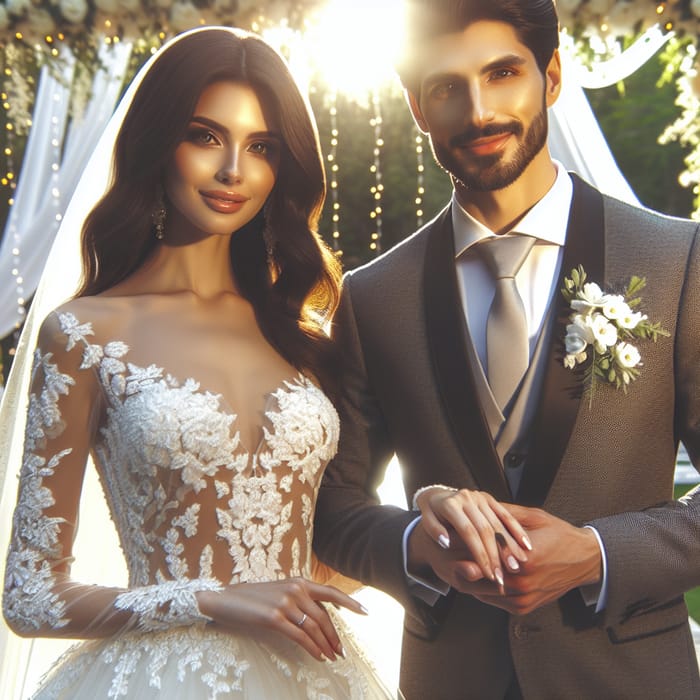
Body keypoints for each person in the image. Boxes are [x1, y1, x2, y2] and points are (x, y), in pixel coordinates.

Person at [313, 1, 700, 697]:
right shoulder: (371, 298)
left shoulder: (679, 262)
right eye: (446, 88)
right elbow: (334, 508)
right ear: (417, 108)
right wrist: (417, 546)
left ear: (551, 76)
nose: (480, 110)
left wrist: (595, 556)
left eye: (503, 73)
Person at [0, 26, 396, 699]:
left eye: (261, 147)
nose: (234, 171)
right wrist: (212, 600)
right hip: (158, 682)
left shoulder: (308, 336)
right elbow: (29, 596)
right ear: (159, 143)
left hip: (318, 678)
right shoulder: (86, 334)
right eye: (206, 136)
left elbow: (336, 547)